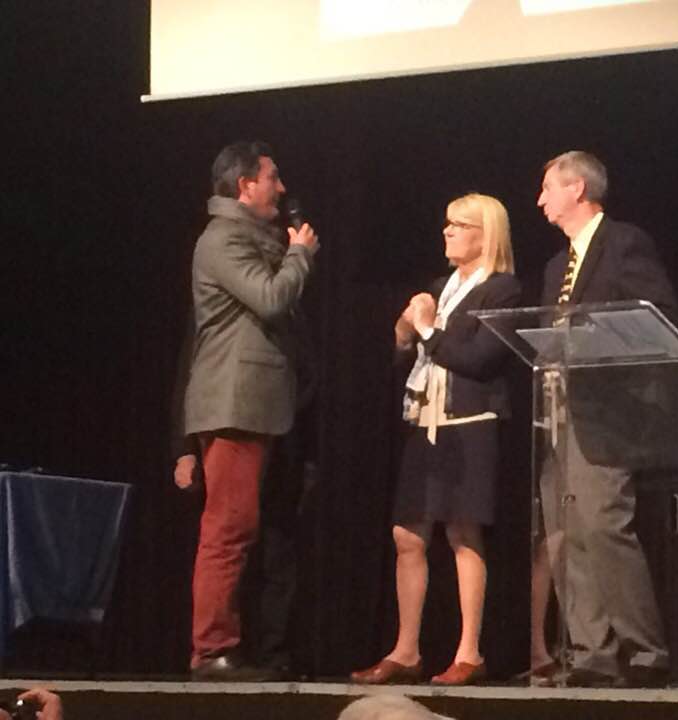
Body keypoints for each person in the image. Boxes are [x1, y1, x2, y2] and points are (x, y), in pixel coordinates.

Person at [351, 193, 521, 686]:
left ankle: (469, 652)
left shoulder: (503, 291)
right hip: (425, 421)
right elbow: (410, 362)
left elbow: (480, 360)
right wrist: (405, 334)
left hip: (471, 423)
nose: (446, 232)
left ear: (484, 234)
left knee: (463, 533)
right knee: (407, 534)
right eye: (446, 223)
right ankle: (406, 650)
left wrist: (426, 329)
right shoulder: (440, 287)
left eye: (458, 225)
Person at [530, 150, 678, 687]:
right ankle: (592, 651)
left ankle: (645, 649)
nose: (541, 199)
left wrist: (591, 339)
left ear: (577, 189)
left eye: (548, 187)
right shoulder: (554, 267)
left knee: (602, 525)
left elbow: (656, 317)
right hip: (557, 409)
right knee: (565, 534)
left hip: (610, 410)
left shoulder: (624, 244)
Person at [184, 141, 318, 680]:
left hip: (253, 403)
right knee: (227, 530)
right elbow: (269, 297)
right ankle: (211, 648)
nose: (280, 188)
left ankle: (222, 647)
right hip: (234, 402)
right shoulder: (223, 239)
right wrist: (300, 254)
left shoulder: (245, 236)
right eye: (272, 178)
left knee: (238, 529)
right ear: (244, 186)